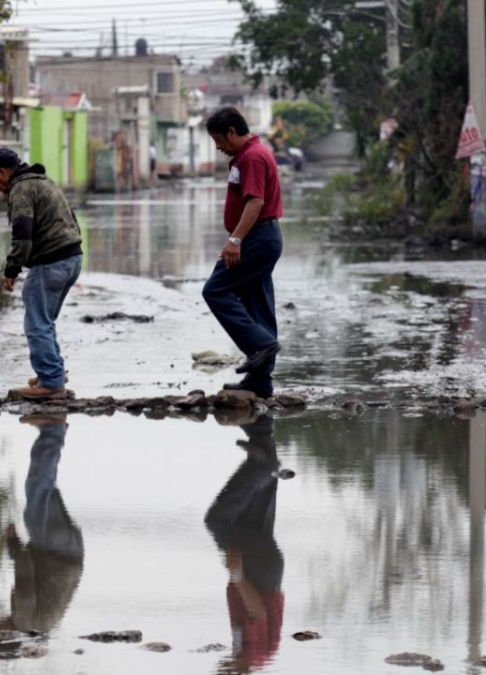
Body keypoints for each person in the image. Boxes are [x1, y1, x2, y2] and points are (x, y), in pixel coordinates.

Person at [0, 147, 83, 400]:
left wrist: (12, 269)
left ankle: (51, 382)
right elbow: (72, 218)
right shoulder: (42, 181)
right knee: (45, 320)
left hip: (52, 262)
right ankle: (53, 372)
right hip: (73, 258)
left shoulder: (21, 190)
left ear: (3, 172)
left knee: (36, 323)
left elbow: (22, 235)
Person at [202, 107, 284, 399]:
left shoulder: (252, 157)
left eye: (219, 140)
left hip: (256, 238)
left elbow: (255, 203)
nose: (218, 147)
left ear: (232, 133)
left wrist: (235, 240)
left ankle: (260, 345)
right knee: (257, 302)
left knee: (215, 291)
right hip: (262, 236)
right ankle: (260, 381)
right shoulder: (250, 155)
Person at [204, 416, 285, 673]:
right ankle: (262, 465)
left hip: (265, 570)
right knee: (217, 521)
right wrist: (237, 575)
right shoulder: (253, 655)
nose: (220, 668)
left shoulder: (251, 656)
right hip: (258, 574)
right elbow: (258, 614)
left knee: (254, 510)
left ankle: (261, 433)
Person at [0, 414, 84, 635]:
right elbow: (25, 573)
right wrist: (12, 542)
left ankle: (54, 431)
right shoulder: (24, 620)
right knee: (37, 485)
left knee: (44, 487)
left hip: (71, 553)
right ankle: (53, 430)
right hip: (55, 550)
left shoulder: (39, 628)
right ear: (5, 634)